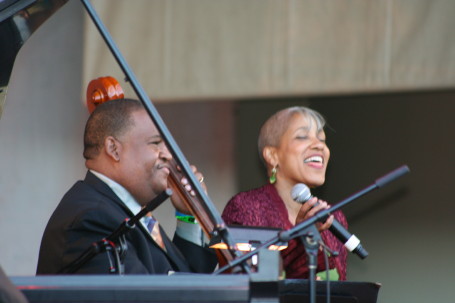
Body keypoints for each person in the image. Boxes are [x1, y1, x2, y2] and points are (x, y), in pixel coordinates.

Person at [37, 98, 217, 275]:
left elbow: (186, 279)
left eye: (167, 145)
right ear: (113, 149)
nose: (168, 155)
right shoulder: (93, 218)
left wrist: (189, 215)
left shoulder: (126, 209)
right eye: (155, 143)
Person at [222, 106, 348, 280]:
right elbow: (251, 284)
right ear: (272, 155)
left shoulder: (335, 217)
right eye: (302, 136)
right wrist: (300, 235)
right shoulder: (246, 208)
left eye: (322, 139)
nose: (320, 145)